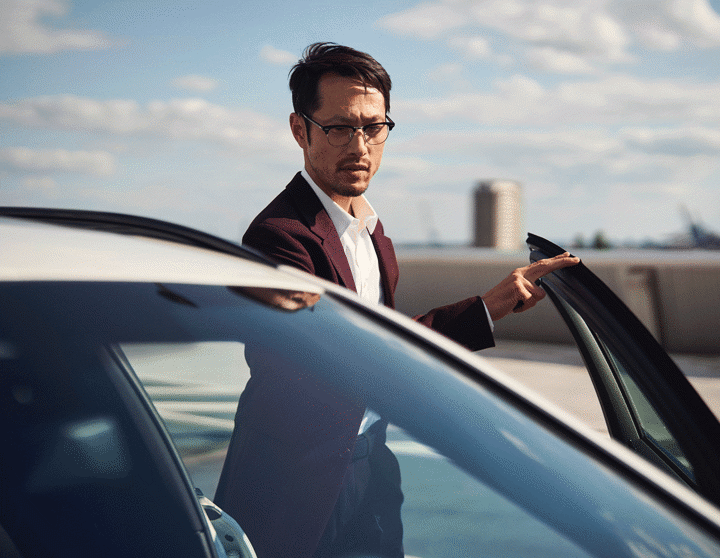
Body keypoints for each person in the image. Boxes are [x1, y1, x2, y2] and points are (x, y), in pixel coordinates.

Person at [214, 42, 579, 558]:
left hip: (369, 469)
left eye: (374, 126)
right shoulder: (280, 237)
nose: (360, 145)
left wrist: (490, 307)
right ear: (300, 130)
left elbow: (374, 343)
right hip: (295, 483)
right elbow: (343, 358)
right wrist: (484, 310)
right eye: (339, 127)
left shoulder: (372, 230)